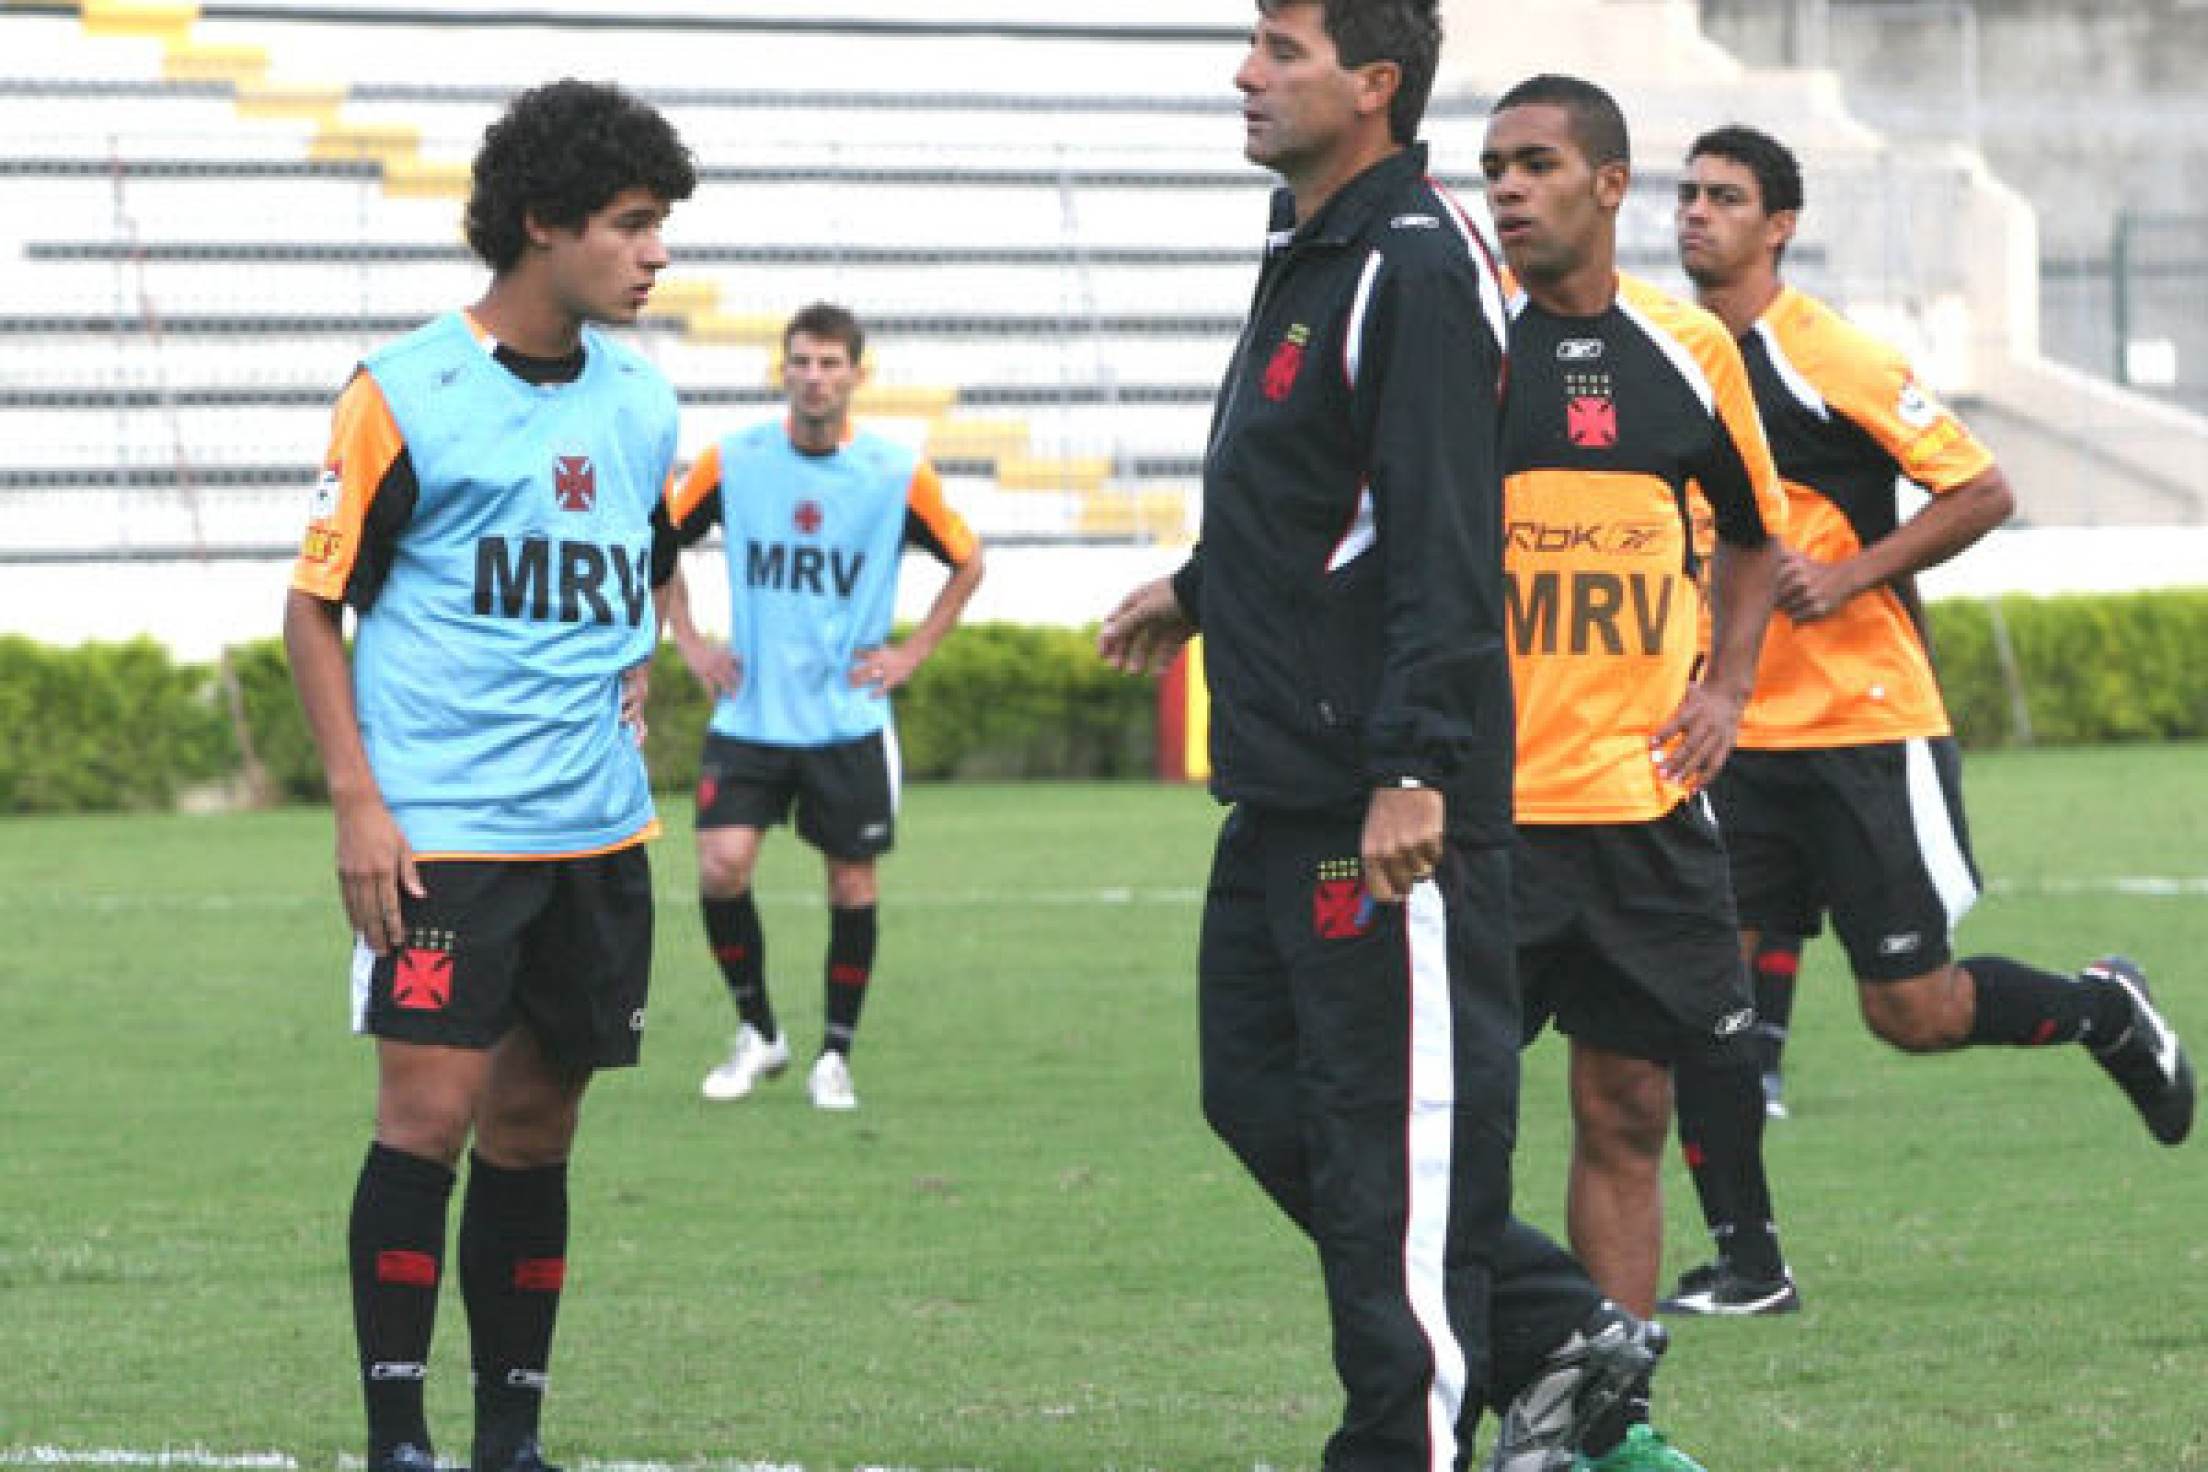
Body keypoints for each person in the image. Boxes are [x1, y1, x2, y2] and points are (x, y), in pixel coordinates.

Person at [1102, 12, 1677, 1471]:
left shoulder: (1414, 262)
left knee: (1395, 1155)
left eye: (1279, 48)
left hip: (1386, 799)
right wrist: (1194, 591)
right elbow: (1311, 495)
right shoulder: (1318, 246)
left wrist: (1415, 764)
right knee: (1261, 1098)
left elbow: (1439, 538)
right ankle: (1561, 1330)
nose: (1245, 73)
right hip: (1287, 787)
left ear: (1372, 86)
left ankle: (1404, 1440)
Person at [1659, 121, 2195, 1305]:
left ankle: (2108, 1011)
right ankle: (1751, 1265)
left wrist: (1848, 574)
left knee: (1914, 1008)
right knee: (1714, 1010)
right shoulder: (1667, 353)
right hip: (1730, 736)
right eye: (1688, 193)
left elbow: (1981, 485)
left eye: (1725, 196)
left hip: (1864, 727)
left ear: (1778, 225)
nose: (1696, 213)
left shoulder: (1828, 355)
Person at [284, 80, 695, 1472]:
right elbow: (314, 607)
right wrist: (356, 798)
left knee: (533, 1133)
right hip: (439, 837)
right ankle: (398, 1439)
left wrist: (636, 657)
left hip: (595, 834)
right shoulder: (403, 390)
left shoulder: (643, 399)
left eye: (661, 228)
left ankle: (507, 1440)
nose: (655, 255)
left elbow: (637, 560)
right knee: (431, 1117)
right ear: (542, 222)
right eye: (632, 226)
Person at [1480, 73, 1803, 1357]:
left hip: (1643, 809)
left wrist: (1725, 686)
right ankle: (1460, 1395)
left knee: (1626, 1110)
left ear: (1608, 185)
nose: (1508, 186)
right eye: (1495, 164)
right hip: (1482, 821)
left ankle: (1607, 1412)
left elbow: (1756, 538)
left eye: (1537, 163)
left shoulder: (1693, 350)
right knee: (1450, 1130)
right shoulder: (1461, 347)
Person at [663, 302, 984, 1113]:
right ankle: (758, 1031)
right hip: (751, 716)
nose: (814, 377)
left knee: (851, 885)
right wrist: (691, 642)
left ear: (856, 375)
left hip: (847, 721)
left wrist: (911, 653)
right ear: (784, 370)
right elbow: (655, 543)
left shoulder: (894, 473)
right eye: (801, 362)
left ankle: (834, 1055)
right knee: (720, 863)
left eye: (830, 363)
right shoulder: (732, 461)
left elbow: (967, 562)